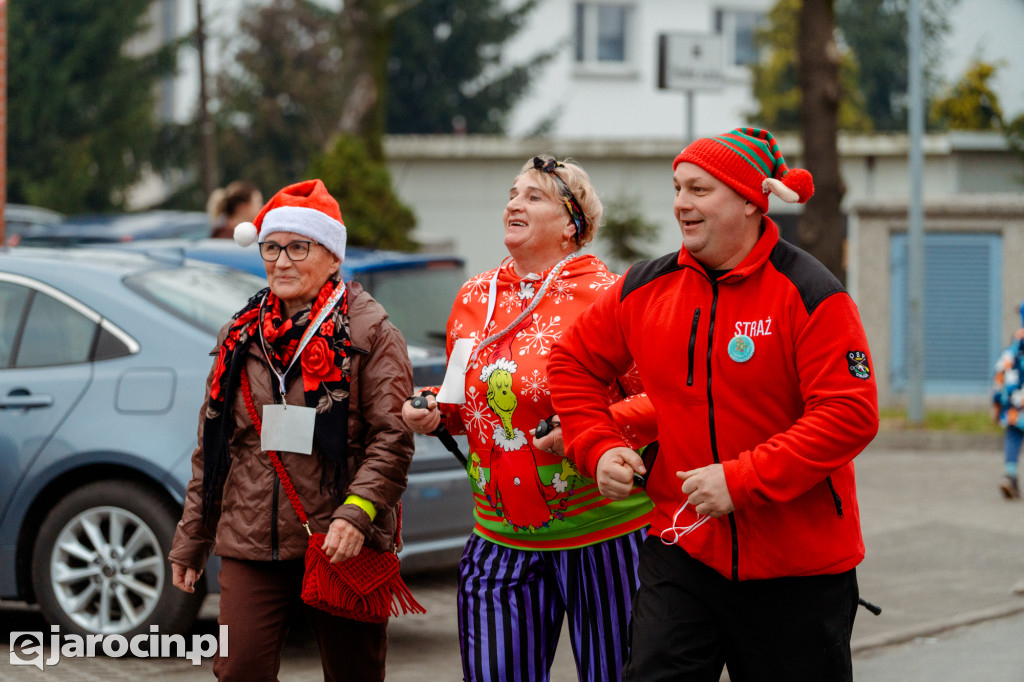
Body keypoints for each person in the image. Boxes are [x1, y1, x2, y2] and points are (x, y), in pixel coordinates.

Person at [547, 127, 880, 682]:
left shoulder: (811, 292)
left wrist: (741, 481)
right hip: (681, 546)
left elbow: (850, 415)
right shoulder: (644, 287)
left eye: (699, 190)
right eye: (677, 188)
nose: (681, 203)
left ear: (750, 199)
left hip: (797, 569)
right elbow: (571, 362)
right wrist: (597, 445)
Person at [402, 155, 656, 681]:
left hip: (601, 536)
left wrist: (589, 432)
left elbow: (659, 401)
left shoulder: (610, 295)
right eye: (512, 195)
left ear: (572, 225)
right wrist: (430, 407)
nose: (514, 204)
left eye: (534, 197)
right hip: (500, 538)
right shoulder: (475, 296)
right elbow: (462, 402)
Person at [169, 179, 415, 681]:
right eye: (271, 247)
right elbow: (214, 447)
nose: (281, 261)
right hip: (250, 539)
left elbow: (392, 438)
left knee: (355, 675)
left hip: (340, 538)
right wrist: (193, 537)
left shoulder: (371, 332)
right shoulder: (240, 332)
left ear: (332, 256)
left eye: (298, 247)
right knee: (238, 671)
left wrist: (357, 513)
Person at [992, 300, 1024, 499]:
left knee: (1013, 437)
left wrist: (996, 404)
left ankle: (1010, 476)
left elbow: (999, 375)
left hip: (1014, 405)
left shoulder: (1011, 350)